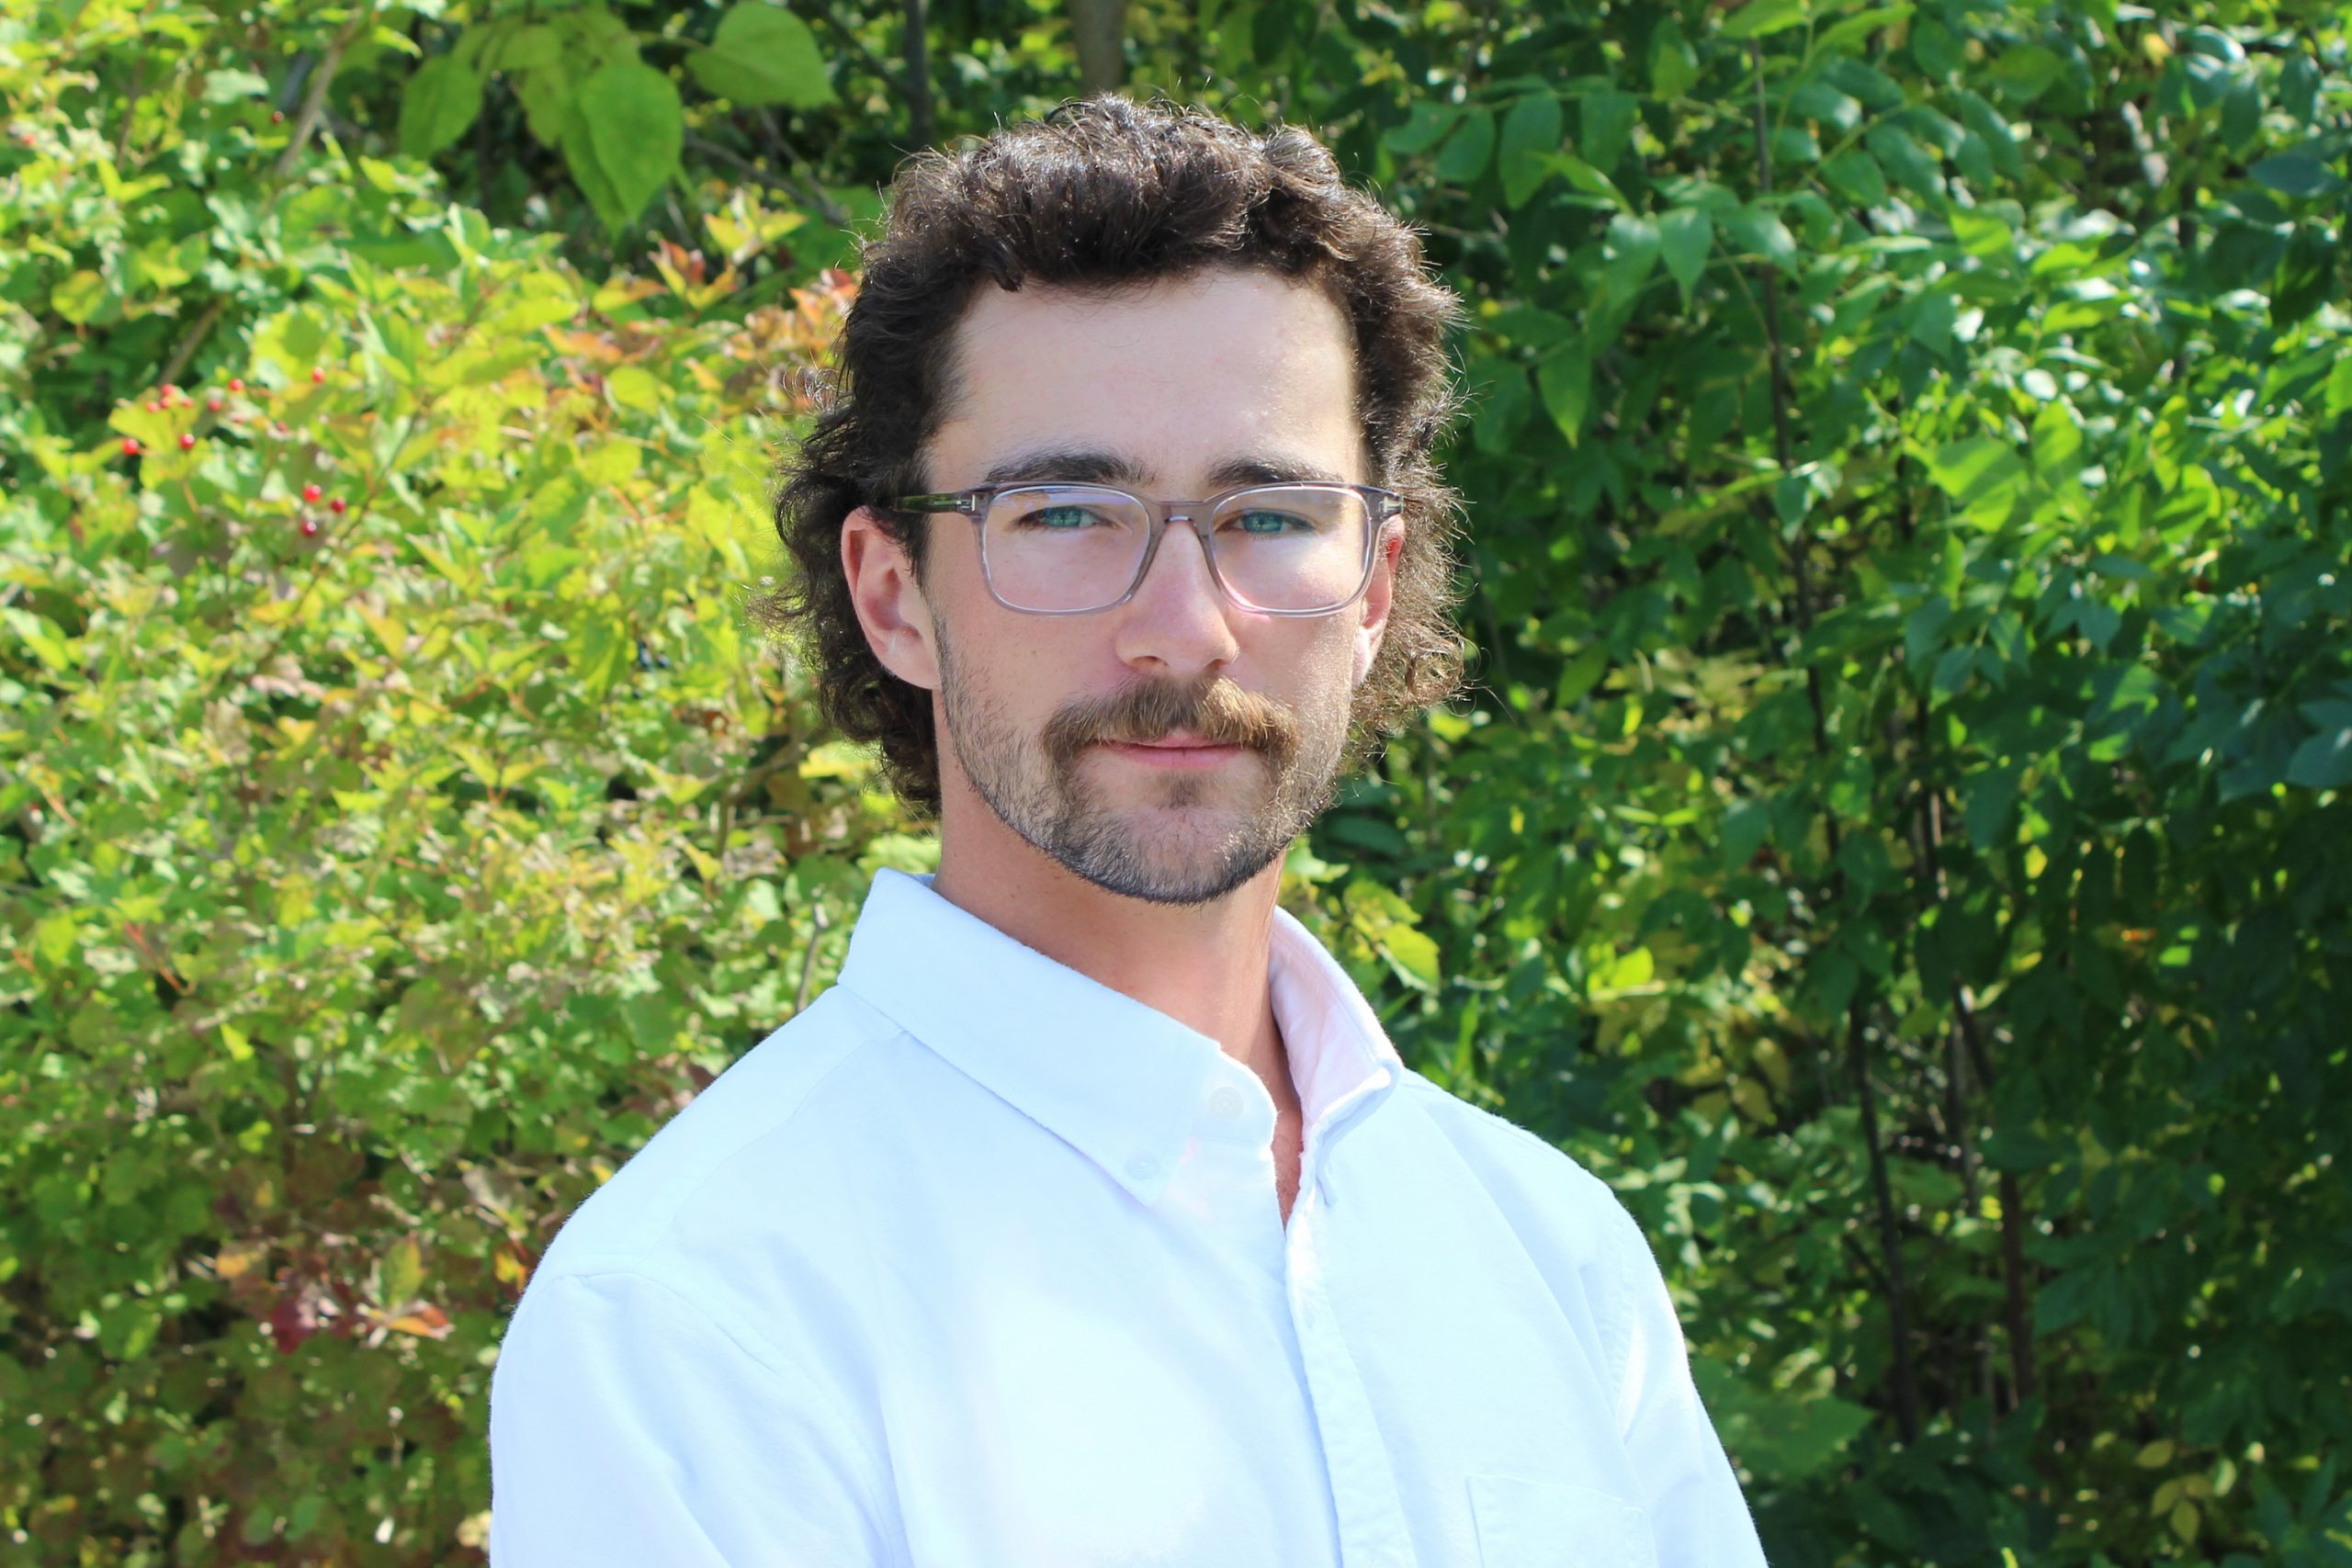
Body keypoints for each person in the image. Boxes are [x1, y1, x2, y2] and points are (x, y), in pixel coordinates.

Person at [488, 95, 1768, 1568]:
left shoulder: (1554, 1258)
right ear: (895, 595)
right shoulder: (695, 1322)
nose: (1185, 629)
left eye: (1270, 517)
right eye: (1066, 514)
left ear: (1371, 590)